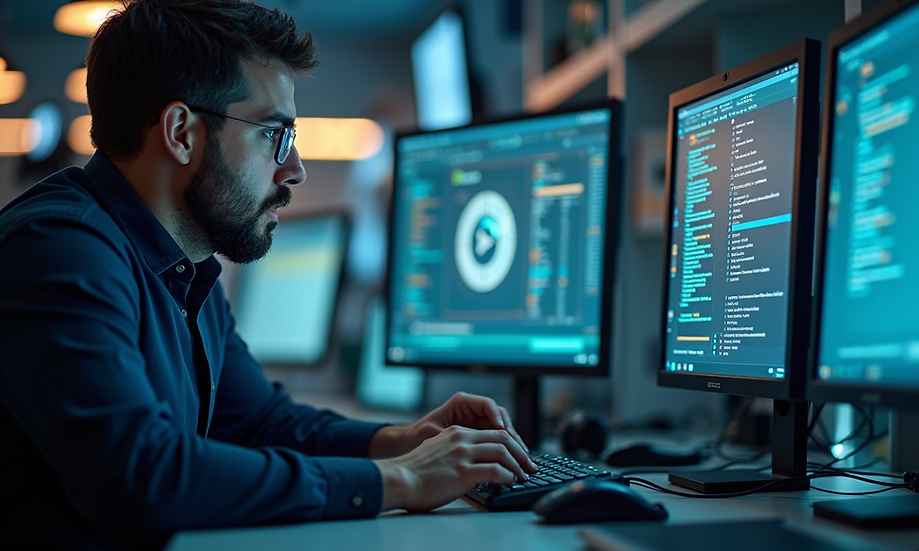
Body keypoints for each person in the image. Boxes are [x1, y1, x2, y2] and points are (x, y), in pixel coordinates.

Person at [0, 1, 536, 549]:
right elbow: (143, 475)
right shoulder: (56, 249)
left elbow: (261, 424)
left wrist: (403, 441)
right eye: (275, 135)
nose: (296, 168)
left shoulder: (185, 268)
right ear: (181, 132)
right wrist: (401, 480)